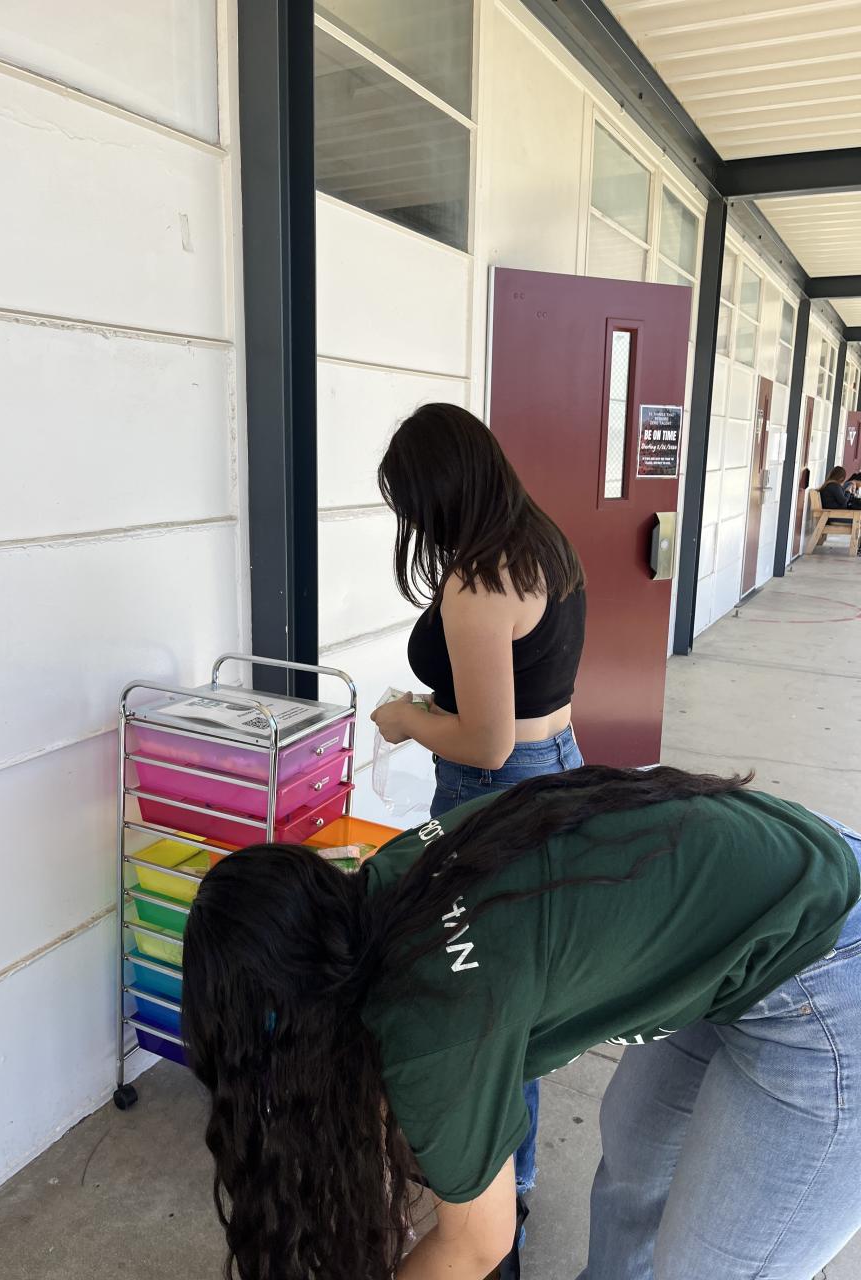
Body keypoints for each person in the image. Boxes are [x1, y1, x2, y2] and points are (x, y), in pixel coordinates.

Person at [182, 766, 861, 1280]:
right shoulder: (386, 878)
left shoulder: (428, 1031)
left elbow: (477, 1243)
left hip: (827, 966)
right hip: (763, 880)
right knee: (635, 1171)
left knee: (706, 1267)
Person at [370, 404, 587, 1222]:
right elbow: (525, 692)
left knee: (487, 1000)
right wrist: (446, 706)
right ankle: (512, 1177)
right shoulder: (542, 545)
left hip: (492, 792)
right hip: (557, 765)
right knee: (519, 990)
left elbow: (488, 744)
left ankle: (499, 1185)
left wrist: (406, 719)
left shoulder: (477, 581)